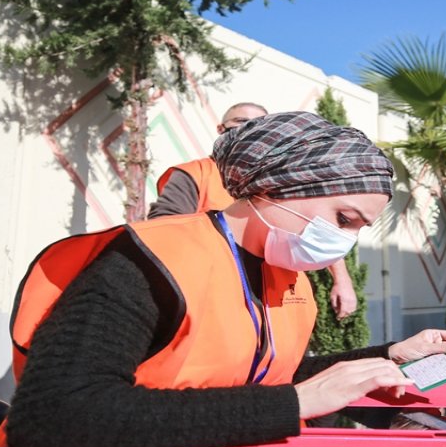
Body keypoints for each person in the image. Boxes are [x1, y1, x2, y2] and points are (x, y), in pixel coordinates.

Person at [0, 112, 446, 447]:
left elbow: (263, 378)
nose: (345, 241)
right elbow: (54, 416)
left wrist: (388, 356)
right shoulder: (146, 259)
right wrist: (296, 404)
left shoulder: (285, 273)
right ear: (277, 186)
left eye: (359, 229)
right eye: (344, 218)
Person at [149, 103, 359, 320]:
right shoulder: (196, 174)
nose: (250, 127)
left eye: (259, 124)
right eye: (241, 122)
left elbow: (320, 227)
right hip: (216, 297)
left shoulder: (283, 178)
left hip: (278, 301)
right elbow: (166, 231)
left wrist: (342, 281)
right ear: (221, 129)